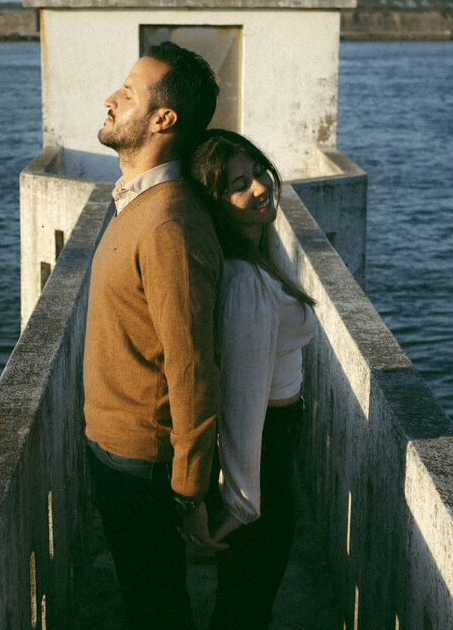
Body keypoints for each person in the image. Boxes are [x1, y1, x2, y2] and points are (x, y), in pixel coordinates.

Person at [83, 41, 225, 630]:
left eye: (129, 92)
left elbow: (193, 367)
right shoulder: (138, 206)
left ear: (163, 120)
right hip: (118, 451)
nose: (111, 100)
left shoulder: (168, 223)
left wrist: (189, 492)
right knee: (149, 600)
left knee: (158, 609)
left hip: (140, 464)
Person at [188, 129, 317, 630]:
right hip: (266, 446)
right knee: (247, 598)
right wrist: (241, 506)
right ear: (216, 204)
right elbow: (242, 407)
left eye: (259, 172)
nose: (260, 188)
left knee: (249, 594)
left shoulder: (261, 250)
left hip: (278, 441)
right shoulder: (246, 283)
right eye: (238, 185)